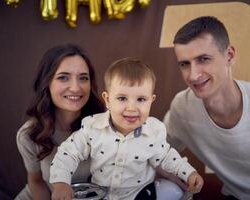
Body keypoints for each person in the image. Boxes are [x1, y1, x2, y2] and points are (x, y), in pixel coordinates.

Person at [164, 16, 250, 200]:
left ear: (229, 55)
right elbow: (158, 150)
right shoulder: (182, 107)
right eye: (184, 64)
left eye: (203, 59)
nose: (193, 75)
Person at [49, 57, 204, 200]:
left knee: (173, 192)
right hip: (100, 192)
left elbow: (167, 157)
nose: (131, 108)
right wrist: (61, 182)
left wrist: (189, 173)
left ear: (151, 100)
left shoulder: (153, 132)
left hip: (140, 193)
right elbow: (68, 153)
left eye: (141, 99)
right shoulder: (93, 127)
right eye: (122, 98)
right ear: (108, 100)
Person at [15, 44, 105, 200]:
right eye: (63, 77)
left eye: (83, 78)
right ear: (46, 82)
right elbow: (36, 181)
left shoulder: (105, 125)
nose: (76, 88)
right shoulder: (29, 134)